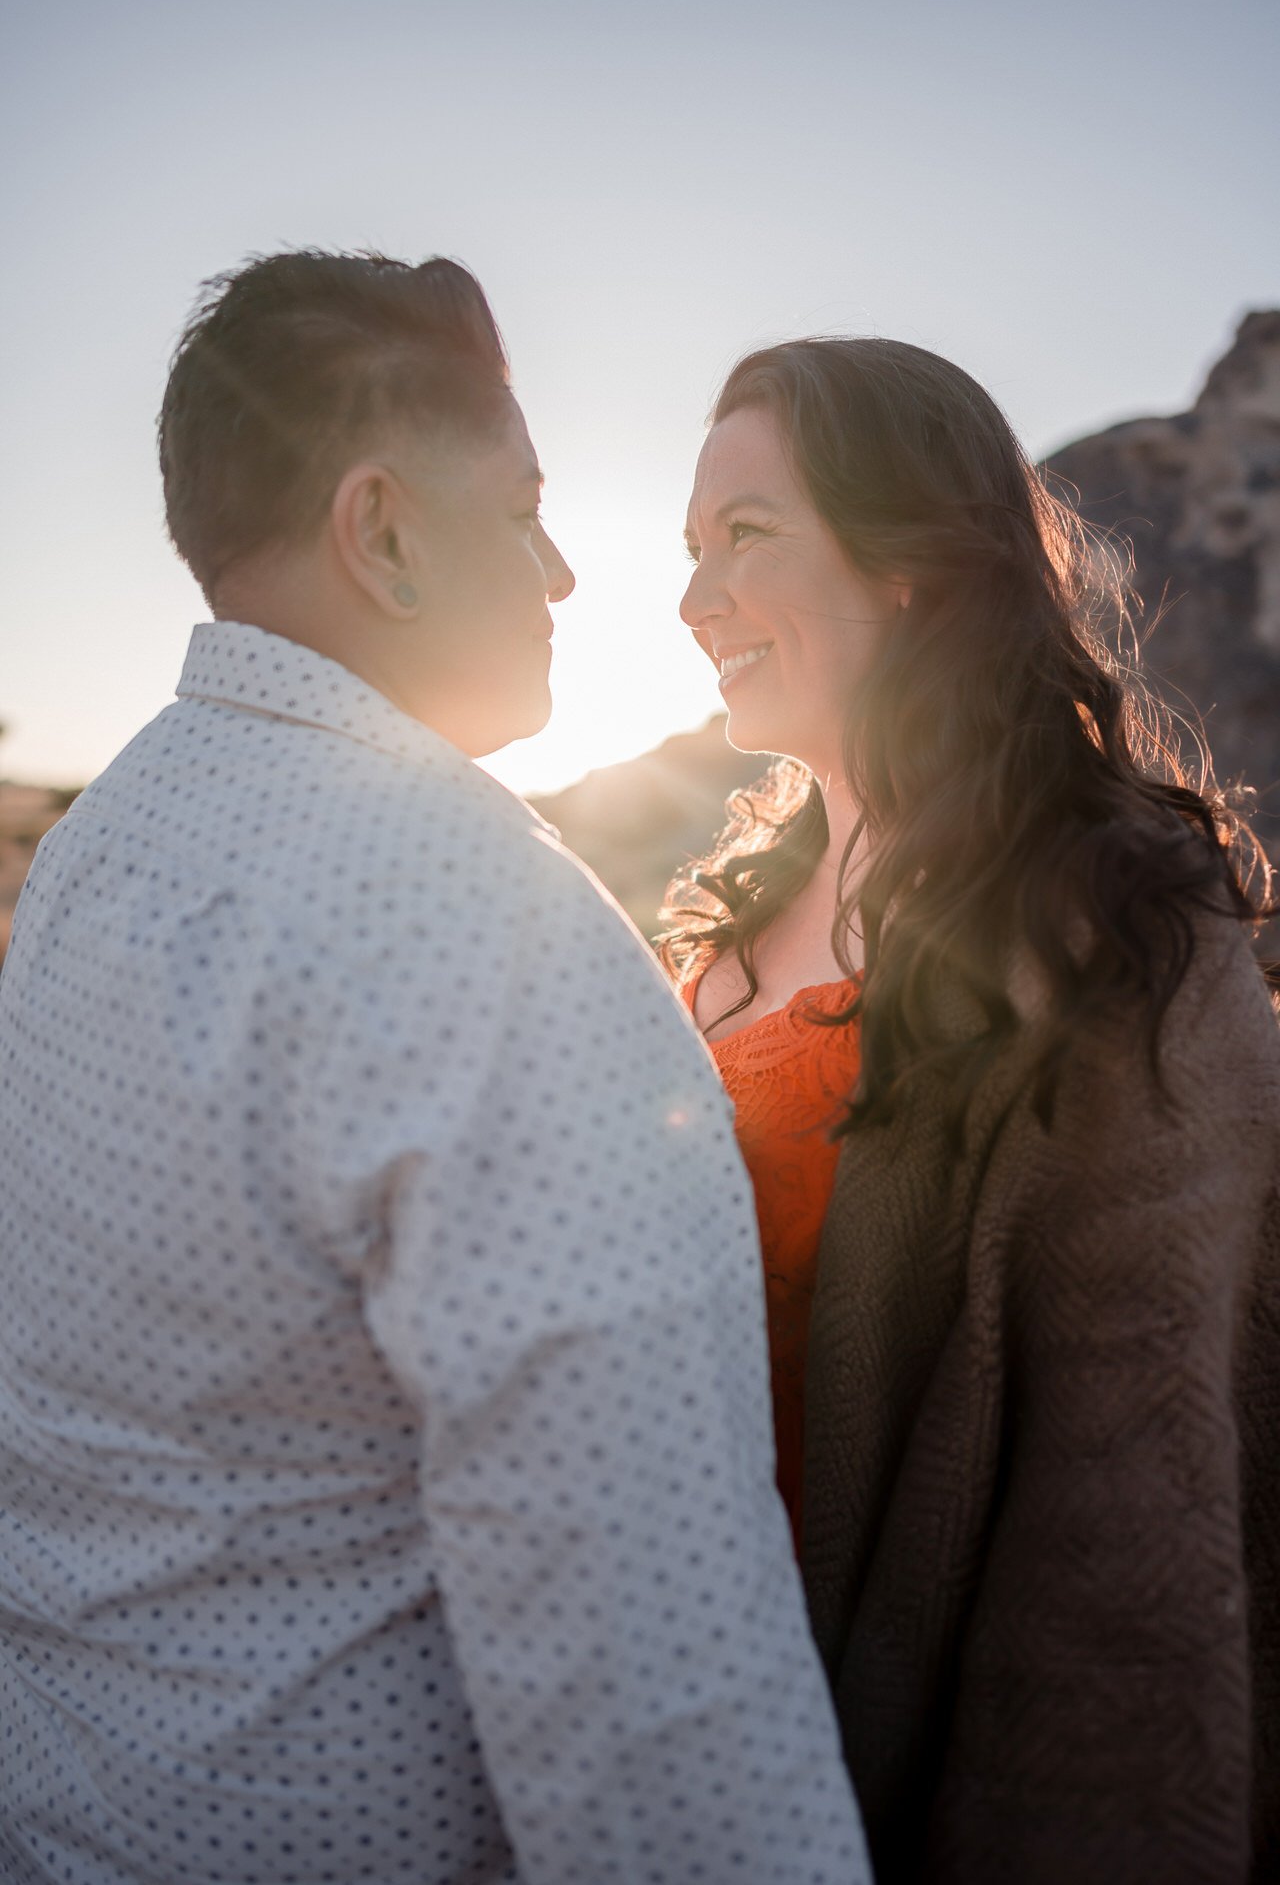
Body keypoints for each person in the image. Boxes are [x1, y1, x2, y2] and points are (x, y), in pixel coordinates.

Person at [0, 253, 872, 1885]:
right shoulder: (482, 925)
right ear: (382, 530)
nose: (559, 572)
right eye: (524, 507)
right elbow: (655, 1683)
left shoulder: (98, 854)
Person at [663, 335, 1280, 1883]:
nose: (693, 603)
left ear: (910, 568)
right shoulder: (727, 919)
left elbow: (1136, 1508)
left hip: (914, 1746)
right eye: (688, 551)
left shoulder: (1120, 922)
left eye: (746, 538)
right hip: (682, 1717)